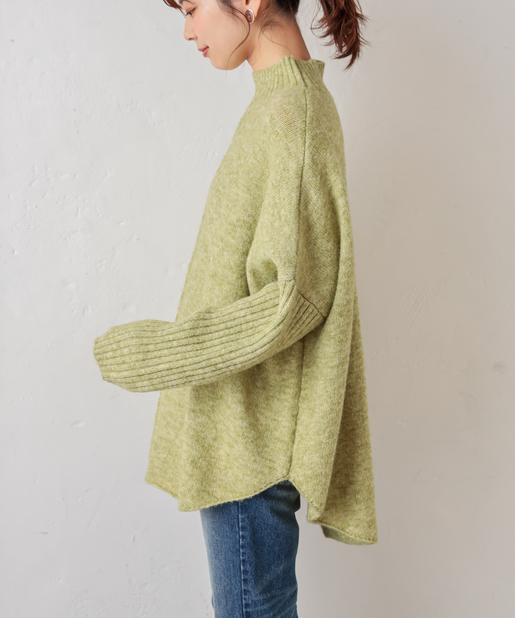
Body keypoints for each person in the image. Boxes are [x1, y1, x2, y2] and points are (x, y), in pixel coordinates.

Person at [93, 0, 378, 615]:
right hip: (242, 439)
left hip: (251, 447)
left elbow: (292, 300)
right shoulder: (280, 105)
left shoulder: (293, 114)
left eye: (193, 7)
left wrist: (157, 353)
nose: (187, 30)